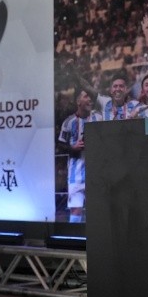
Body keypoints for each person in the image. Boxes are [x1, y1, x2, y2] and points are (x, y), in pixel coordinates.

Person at [57, 88, 103, 222]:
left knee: (96, 209)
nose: (89, 100)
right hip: (75, 174)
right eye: (86, 97)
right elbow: (61, 145)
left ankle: (95, 240)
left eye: (90, 97)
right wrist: (73, 148)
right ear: (78, 101)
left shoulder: (98, 118)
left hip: (96, 173)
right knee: (76, 210)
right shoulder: (68, 122)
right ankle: (75, 238)